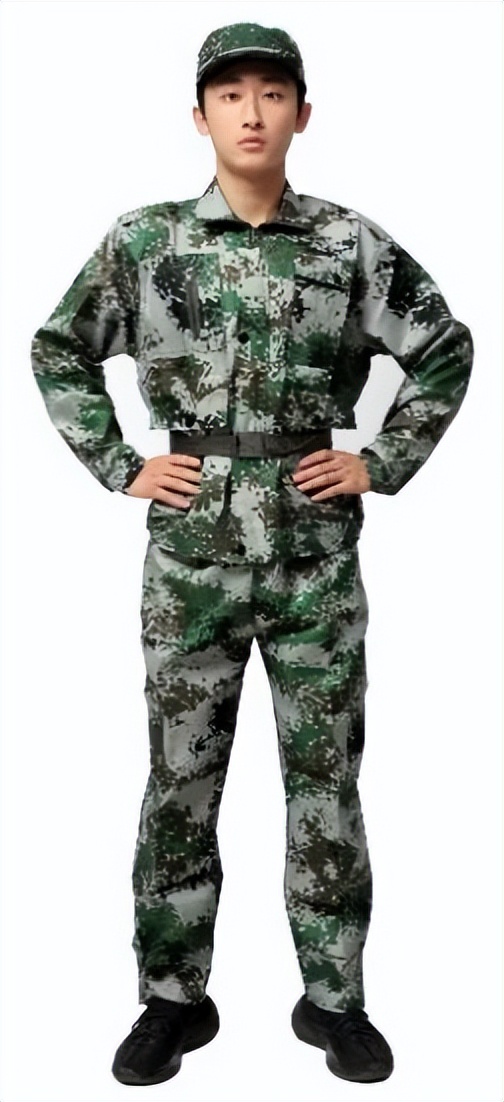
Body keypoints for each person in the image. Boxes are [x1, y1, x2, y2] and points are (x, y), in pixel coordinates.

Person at [30, 21, 474, 1089]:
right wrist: (119, 463)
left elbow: (444, 347)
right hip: (189, 560)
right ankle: (173, 1000)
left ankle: (334, 1001)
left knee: (326, 779)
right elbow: (59, 347)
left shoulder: (347, 244)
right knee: (181, 778)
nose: (252, 111)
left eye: (272, 93)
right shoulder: (146, 243)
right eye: (230, 94)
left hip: (314, 555)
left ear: (301, 114)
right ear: (200, 117)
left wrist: (381, 459)